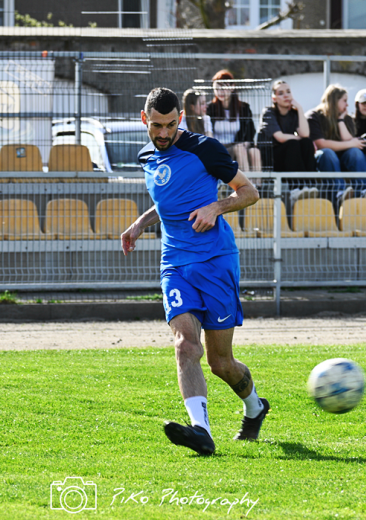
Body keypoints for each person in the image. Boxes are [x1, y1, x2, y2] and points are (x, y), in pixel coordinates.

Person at [121, 87, 268, 456]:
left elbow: (249, 192)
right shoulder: (145, 156)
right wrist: (141, 222)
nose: (164, 133)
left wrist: (215, 208)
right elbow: (167, 200)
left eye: (171, 125)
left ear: (180, 120)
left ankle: (255, 407)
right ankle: (201, 431)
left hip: (216, 261)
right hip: (174, 264)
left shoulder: (204, 148)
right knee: (185, 345)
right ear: (144, 120)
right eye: (157, 125)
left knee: (221, 363)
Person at [306, 84, 366, 205]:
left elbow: (350, 141)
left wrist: (340, 121)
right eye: (344, 101)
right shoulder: (314, 116)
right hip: (323, 160)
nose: (347, 105)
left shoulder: (347, 118)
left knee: (355, 152)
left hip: (343, 159)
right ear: (334, 100)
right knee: (328, 153)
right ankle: (340, 192)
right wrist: (350, 144)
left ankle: (363, 191)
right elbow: (321, 144)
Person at [256, 79, 318, 204]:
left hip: (290, 157)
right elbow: (280, 137)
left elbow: (305, 134)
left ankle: (310, 186)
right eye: (281, 93)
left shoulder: (294, 114)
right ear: (274, 98)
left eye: (288, 92)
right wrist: (300, 139)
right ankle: (296, 188)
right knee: (293, 144)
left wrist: (300, 108)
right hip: (272, 159)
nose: (286, 95)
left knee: (306, 144)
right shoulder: (268, 113)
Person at [207, 69, 261, 175]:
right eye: (217, 89)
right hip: (220, 147)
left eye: (223, 88)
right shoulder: (210, 108)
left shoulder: (243, 108)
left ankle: (258, 186)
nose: (220, 92)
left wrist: (246, 143)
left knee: (255, 152)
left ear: (232, 87)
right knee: (240, 149)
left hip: (238, 145)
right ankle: (247, 185)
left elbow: (250, 130)